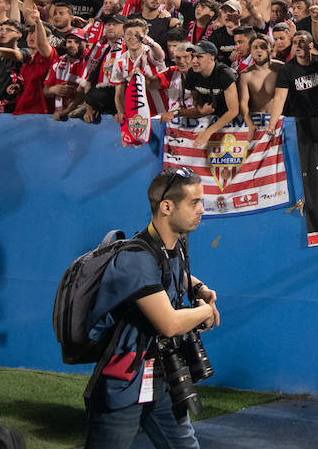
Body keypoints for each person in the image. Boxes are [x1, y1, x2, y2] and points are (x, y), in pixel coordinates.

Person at [84, 167, 220, 448]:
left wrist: (199, 289)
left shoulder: (170, 246)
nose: (201, 210)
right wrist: (205, 311)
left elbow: (172, 276)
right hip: (123, 382)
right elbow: (169, 323)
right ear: (167, 207)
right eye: (194, 202)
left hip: (163, 376)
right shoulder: (136, 258)